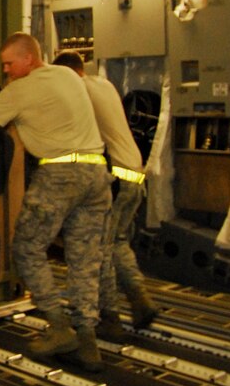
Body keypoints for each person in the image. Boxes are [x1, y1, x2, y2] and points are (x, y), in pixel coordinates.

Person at [0, 32, 111, 371]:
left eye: (10, 64)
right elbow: (43, 113)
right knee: (85, 257)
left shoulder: (21, 89)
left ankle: (58, 328)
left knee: (26, 248)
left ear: (28, 59)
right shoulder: (67, 75)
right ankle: (87, 341)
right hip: (97, 175)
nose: (7, 71)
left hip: (59, 175)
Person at [52, 52, 159, 335]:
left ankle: (108, 316)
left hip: (115, 177)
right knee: (116, 241)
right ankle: (140, 299)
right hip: (136, 172)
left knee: (97, 249)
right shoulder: (104, 84)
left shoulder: (77, 89)